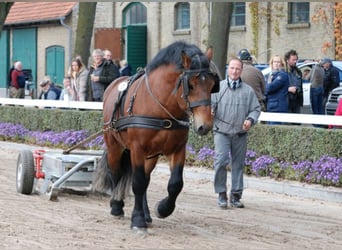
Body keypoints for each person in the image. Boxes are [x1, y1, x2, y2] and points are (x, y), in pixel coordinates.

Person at [211, 57, 261, 209]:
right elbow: (209, 105)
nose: (234, 71)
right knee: (220, 161)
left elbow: (255, 109)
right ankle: (221, 194)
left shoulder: (248, 91)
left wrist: (250, 120)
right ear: (228, 69)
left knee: (238, 164)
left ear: (241, 71)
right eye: (232, 68)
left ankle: (236, 195)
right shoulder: (217, 88)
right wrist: (210, 111)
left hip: (240, 134)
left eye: (237, 69)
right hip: (221, 133)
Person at [265, 55, 289, 125]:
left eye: (278, 62)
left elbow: (269, 88)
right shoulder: (270, 75)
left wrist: (267, 85)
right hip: (270, 107)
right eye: (274, 62)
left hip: (278, 108)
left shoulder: (282, 75)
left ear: (282, 64)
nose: (276, 63)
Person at [284, 49, 303, 124]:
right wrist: (288, 89)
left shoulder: (298, 71)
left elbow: (300, 85)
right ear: (287, 60)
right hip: (287, 101)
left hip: (296, 101)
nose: (295, 61)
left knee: (297, 124)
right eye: (293, 59)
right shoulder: (283, 71)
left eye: (296, 59)